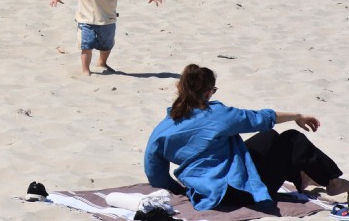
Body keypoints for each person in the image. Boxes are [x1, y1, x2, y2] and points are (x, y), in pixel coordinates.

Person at [144, 64, 349, 211]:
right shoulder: (216, 115)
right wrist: (297, 116)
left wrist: (175, 189)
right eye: (213, 90)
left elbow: (152, 167)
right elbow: (259, 118)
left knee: (268, 137)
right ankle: (332, 182)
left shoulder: (166, 125)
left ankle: (302, 175)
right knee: (292, 138)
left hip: (203, 190)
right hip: (237, 193)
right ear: (207, 92)